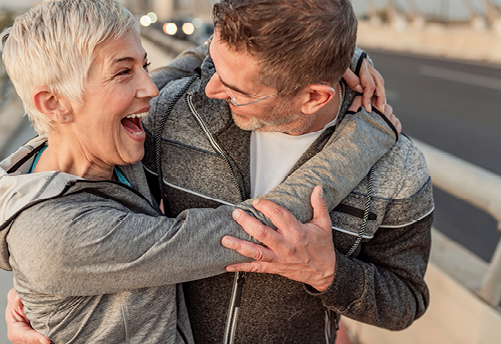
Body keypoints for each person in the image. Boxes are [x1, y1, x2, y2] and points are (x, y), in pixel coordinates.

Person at [0, 0, 400, 343]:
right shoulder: (59, 234)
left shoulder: (99, 152)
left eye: (144, 65)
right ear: (53, 105)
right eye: (124, 72)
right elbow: (254, 229)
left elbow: (192, 64)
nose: (151, 88)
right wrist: (370, 135)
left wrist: (330, 53)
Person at [138, 0, 435, 343]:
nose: (209, 89)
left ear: (313, 97)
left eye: (237, 89)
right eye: (213, 63)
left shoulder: (397, 168)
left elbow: (406, 300)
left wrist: (330, 273)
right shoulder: (173, 113)